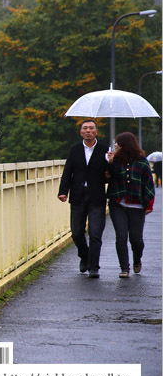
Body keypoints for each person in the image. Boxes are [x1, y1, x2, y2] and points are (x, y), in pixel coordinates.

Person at [58, 119, 110, 278]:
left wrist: (111, 161)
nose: (88, 130)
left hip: (96, 196)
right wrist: (63, 191)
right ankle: (85, 256)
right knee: (77, 232)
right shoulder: (75, 149)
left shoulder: (105, 149)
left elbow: (111, 173)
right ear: (81, 132)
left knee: (95, 233)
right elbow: (68, 171)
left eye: (91, 128)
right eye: (85, 128)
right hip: (78, 195)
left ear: (96, 132)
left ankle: (94, 267)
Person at [106, 132, 155, 278]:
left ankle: (137, 259)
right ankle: (124, 268)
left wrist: (148, 204)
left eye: (118, 143)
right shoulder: (115, 160)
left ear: (125, 144)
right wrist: (109, 163)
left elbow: (148, 184)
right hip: (117, 204)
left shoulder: (142, 162)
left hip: (137, 206)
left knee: (136, 240)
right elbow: (107, 177)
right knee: (121, 236)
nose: (115, 145)